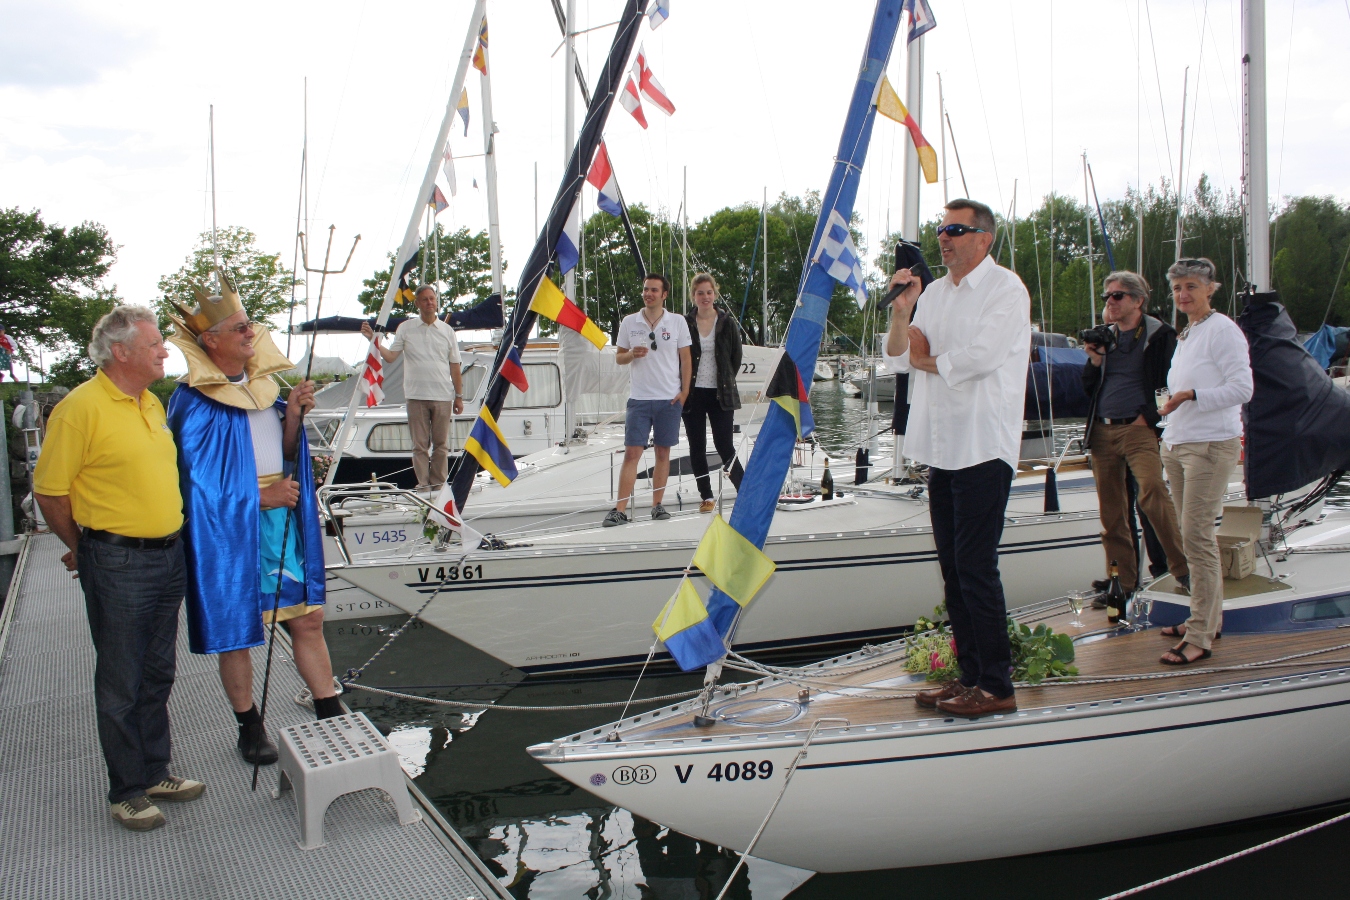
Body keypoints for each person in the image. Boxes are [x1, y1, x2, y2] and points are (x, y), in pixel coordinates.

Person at [34, 306, 204, 832]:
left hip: (167, 556)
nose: (163, 351)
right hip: (117, 561)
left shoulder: (151, 402)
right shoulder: (80, 408)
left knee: (158, 672)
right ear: (121, 351)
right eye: (154, 344)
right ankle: (126, 790)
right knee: (121, 680)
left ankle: (155, 772)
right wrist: (83, 548)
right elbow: (50, 491)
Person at [166, 273, 341, 765]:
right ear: (211, 340)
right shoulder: (192, 399)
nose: (251, 333)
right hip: (229, 530)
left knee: (308, 616)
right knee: (238, 631)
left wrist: (293, 418)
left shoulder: (265, 388)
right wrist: (260, 496)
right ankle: (249, 726)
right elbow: (195, 482)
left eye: (249, 325)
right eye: (239, 327)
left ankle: (331, 711)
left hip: (278, 517)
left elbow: (282, 453)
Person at [882, 199, 1031, 719]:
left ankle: (997, 685)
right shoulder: (935, 294)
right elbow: (899, 357)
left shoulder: (1006, 289)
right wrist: (903, 312)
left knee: (976, 568)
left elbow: (981, 358)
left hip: (983, 445)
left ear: (983, 238)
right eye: (941, 229)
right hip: (941, 448)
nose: (943, 237)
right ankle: (969, 677)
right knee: (953, 569)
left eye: (955, 229)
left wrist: (926, 356)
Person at [1156, 258, 1253, 665]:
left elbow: (1243, 388)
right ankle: (1208, 618)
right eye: (1177, 288)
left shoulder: (1222, 330)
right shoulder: (1189, 332)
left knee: (1197, 537)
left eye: (1191, 286)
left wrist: (1191, 395)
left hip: (1210, 446)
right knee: (1189, 536)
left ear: (1211, 289)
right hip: (1178, 443)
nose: (1183, 295)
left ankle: (1200, 636)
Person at [1081, 272, 1190, 600]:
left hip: (1138, 428)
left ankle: (1184, 569)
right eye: (1107, 297)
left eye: (1117, 296)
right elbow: (1088, 387)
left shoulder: (1159, 336)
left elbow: (1170, 381)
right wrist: (1095, 360)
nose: (1110, 302)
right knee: (1112, 514)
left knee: (1153, 492)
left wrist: (1150, 417)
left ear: (1138, 300)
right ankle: (1122, 584)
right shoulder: (1105, 337)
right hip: (1103, 430)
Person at [603, 273, 692, 526]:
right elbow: (619, 357)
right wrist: (632, 353)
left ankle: (657, 505)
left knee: (663, 452)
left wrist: (685, 392)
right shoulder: (629, 322)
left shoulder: (677, 322)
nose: (648, 294)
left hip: (669, 398)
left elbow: (686, 359)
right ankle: (620, 510)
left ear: (664, 294)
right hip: (639, 398)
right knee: (632, 452)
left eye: (654, 290)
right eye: (645, 289)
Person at [360, 284, 465, 491]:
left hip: (443, 395)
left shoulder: (447, 331)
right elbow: (391, 357)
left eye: (432, 298)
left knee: (441, 445)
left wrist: (459, 396)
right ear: (417, 303)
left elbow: (455, 365)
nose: (429, 302)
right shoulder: (405, 328)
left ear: (436, 301)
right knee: (419, 446)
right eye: (425, 299)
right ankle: (423, 485)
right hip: (416, 395)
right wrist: (373, 340)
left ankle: (439, 484)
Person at [682, 273, 744, 513]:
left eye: (709, 292)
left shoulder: (727, 323)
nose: (705, 297)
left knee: (724, 445)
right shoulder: (686, 323)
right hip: (693, 393)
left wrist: (725, 380)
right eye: (700, 293)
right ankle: (707, 496)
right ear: (694, 296)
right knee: (697, 446)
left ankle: (744, 490)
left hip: (720, 394)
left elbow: (735, 358)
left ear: (714, 294)